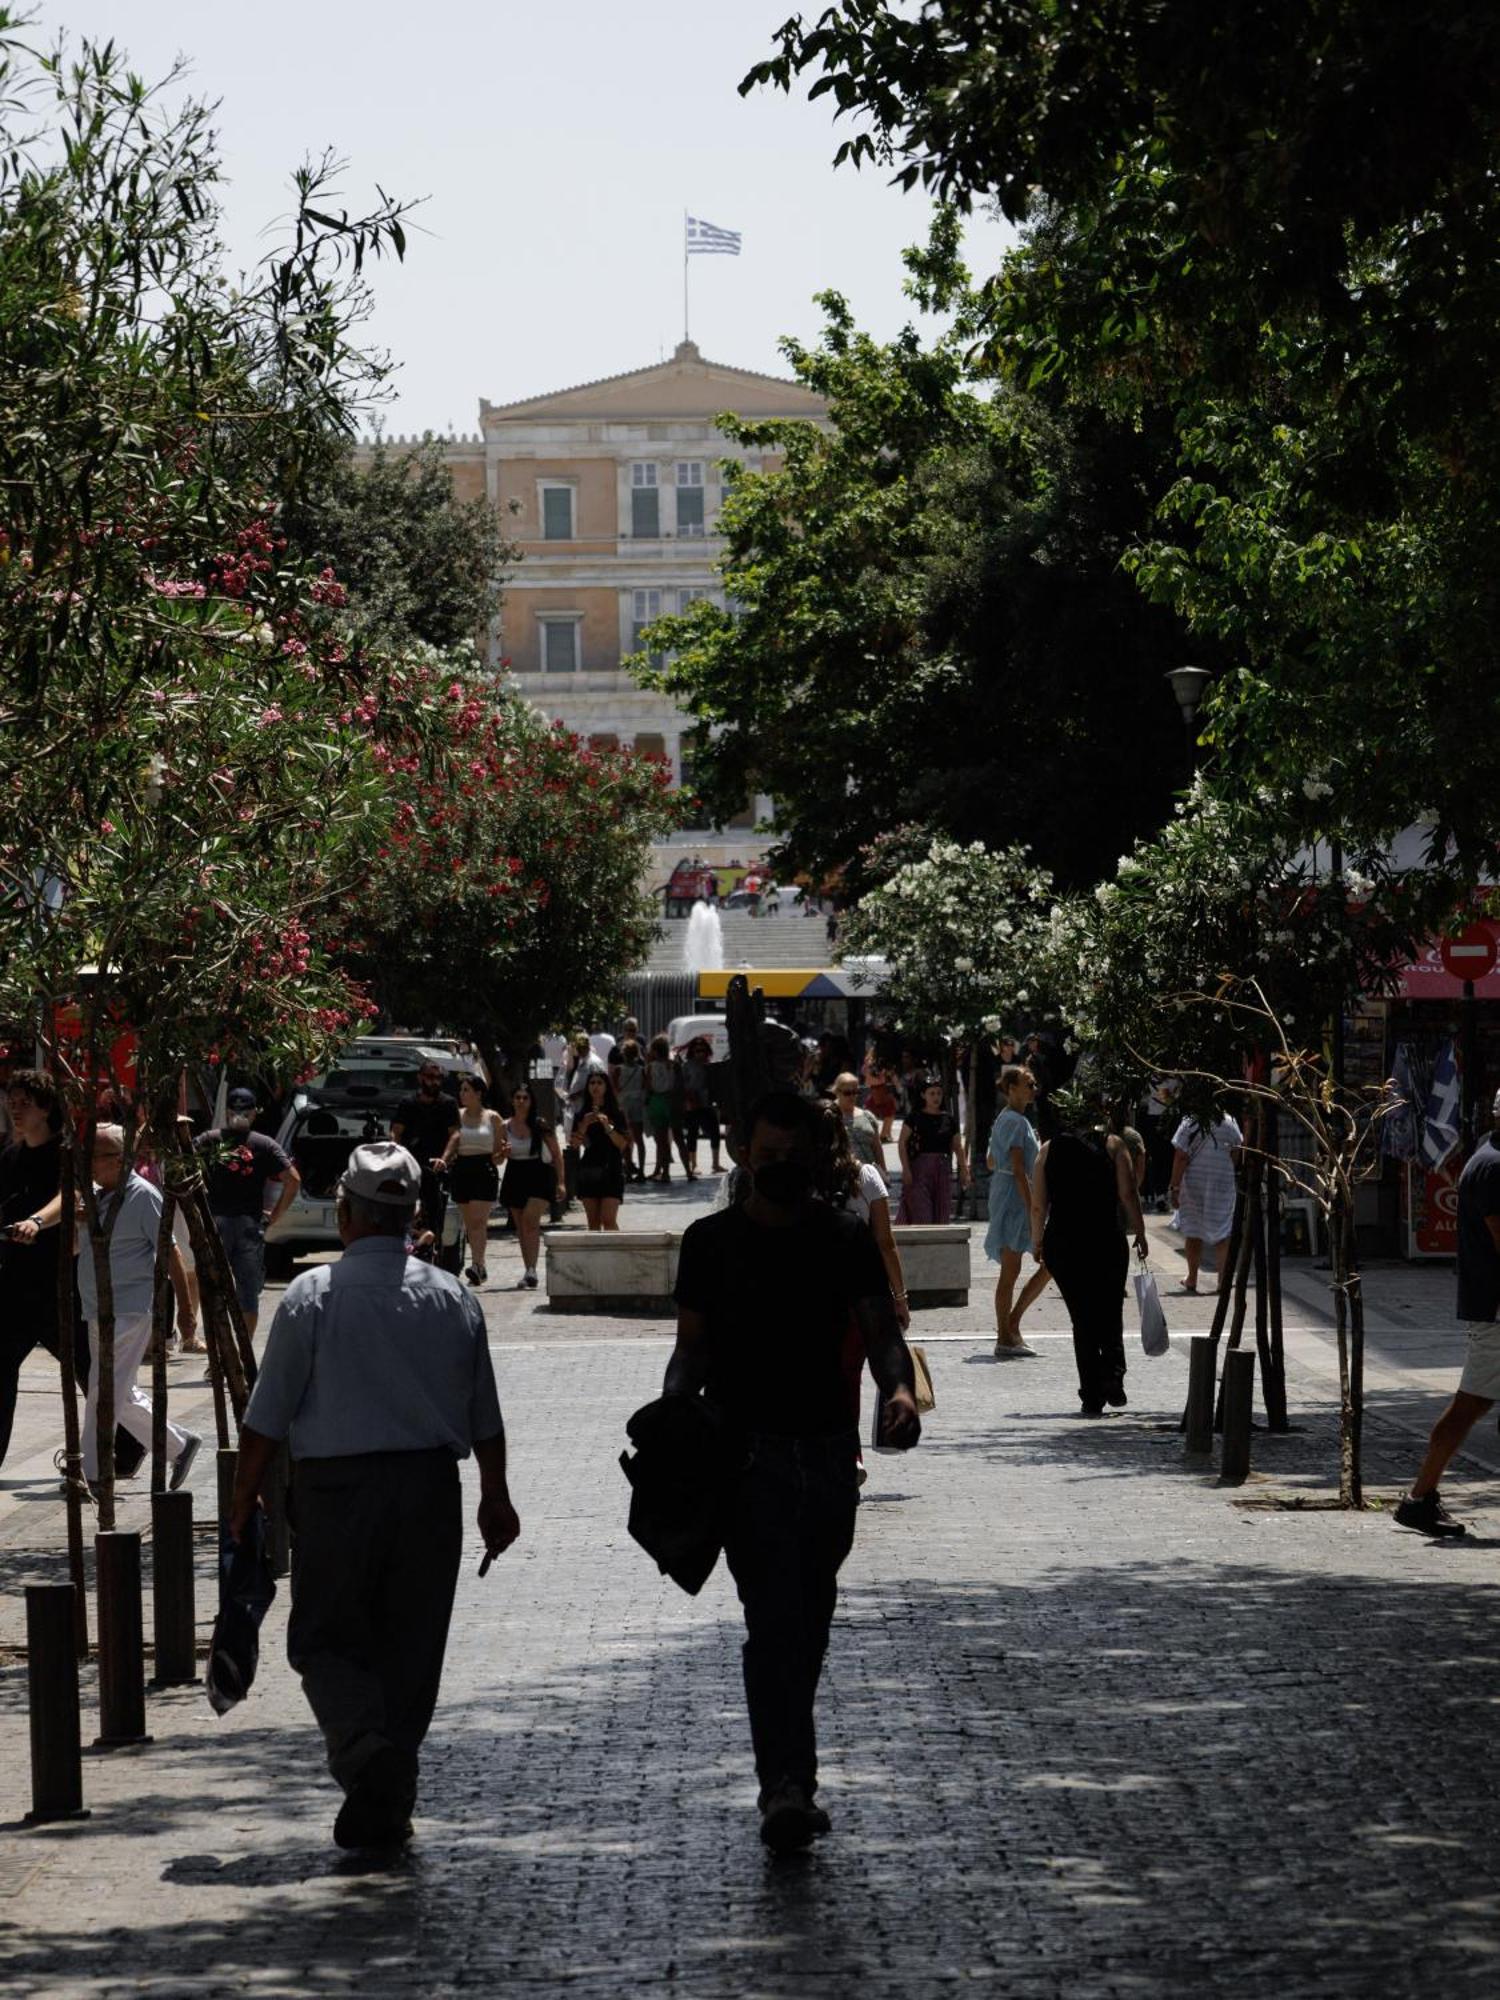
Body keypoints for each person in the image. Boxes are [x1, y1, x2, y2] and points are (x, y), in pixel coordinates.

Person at [227, 1141, 521, 1849]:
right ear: (412, 1214)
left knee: (325, 1639)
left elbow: (266, 1420)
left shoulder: (311, 1297)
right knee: (412, 1648)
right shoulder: (451, 1296)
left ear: (349, 1216)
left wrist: (241, 1506)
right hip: (428, 1494)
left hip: (336, 1495)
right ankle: (388, 1784)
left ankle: (368, 1759)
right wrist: (495, 1496)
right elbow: (485, 1413)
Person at [666, 1090, 921, 1851]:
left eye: (790, 1157)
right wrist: (674, 1416)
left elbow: (881, 1332)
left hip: (827, 1461)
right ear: (745, 1155)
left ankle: (787, 1776)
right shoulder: (707, 1243)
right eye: (765, 1155)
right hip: (745, 1464)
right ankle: (786, 1784)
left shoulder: (844, 1237)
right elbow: (691, 1349)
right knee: (772, 1621)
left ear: (815, 1159)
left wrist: (900, 1390)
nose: (777, 1169)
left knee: (807, 1621)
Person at [32, 1124, 201, 1490]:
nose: (92, 1163)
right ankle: (178, 1444)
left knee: (102, 1391)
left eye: (100, 1156)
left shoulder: (143, 1196)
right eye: (88, 1155)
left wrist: (187, 1312)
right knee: (118, 1394)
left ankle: (92, 1473)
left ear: (124, 1159)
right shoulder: (94, 1198)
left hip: (128, 1308)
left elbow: (170, 1253)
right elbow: (82, 1248)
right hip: (97, 1309)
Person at [1395, 1090, 1500, 1537]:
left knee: (1473, 1402)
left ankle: (1420, 1498)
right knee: (1470, 1403)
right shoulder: (1495, 1167)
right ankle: (1419, 1498)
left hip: (1490, 1305)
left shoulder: (1487, 1156)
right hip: (1496, 1310)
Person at [1032, 1102, 1148, 1416]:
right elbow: (1128, 1193)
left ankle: (1091, 1394)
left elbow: (1038, 1205)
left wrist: (1037, 1240)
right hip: (1105, 1238)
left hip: (1063, 1242)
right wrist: (1140, 1229)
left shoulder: (1046, 1150)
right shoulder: (1113, 1145)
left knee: (1081, 1319)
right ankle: (1113, 1375)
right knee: (1110, 1308)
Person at [0, 1071, 67, 1468]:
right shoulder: (9, 1155)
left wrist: (37, 1222)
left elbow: (69, 1195)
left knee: (92, 1372)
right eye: (12, 1101)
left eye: (25, 1102)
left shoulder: (64, 1154)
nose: (15, 1109)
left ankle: (146, 1441)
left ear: (45, 1108)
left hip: (59, 1283)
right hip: (13, 1283)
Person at [195, 1087, 301, 1336]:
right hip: (248, 1226)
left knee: (214, 1293)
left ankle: (221, 1358)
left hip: (214, 1225)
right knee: (248, 1294)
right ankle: (242, 1358)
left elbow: (184, 1171)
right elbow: (293, 1179)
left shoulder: (208, 1140)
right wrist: (275, 1216)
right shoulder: (264, 1144)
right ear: (255, 1114)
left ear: (227, 1112)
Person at [984, 1066, 1049, 1359]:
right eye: (1027, 1084)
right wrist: (1031, 1203)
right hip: (1013, 1197)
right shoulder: (1015, 1121)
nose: (1033, 1088)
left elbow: (989, 1160)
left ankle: (1010, 1327)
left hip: (1006, 1190)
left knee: (1018, 1267)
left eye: (1034, 1083)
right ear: (1011, 1088)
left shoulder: (1010, 1119)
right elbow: (1019, 1167)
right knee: (1011, 1269)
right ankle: (1005, 1333)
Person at [1168, 1105, 1244, 1293]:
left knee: (1193, 1231)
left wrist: (1174, 1187)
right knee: (1222, 1231)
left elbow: (1181, 1156)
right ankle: (1222, 1281)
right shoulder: (1230, 1121)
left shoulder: (1190, 1121)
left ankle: (1192, 1278)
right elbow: (1236, 1151)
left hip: (1195, 1181)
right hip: (1222, 1181)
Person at [439, 1076, 504, 1286]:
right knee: (469, 1223)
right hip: (462, 1169)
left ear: (478, 1093)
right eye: (461, 1090)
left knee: (478, 1222)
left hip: (484, 1168)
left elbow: (499, 1154)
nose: (462, 1094)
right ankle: (479, 1265)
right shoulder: (456, 1116)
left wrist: (502, 1154)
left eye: (466, 1090)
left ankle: (477, 1264)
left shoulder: (493, 1118)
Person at [391, 1060, 461, 1251]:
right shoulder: (408, 1103)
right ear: (420, 1078)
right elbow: (396, 1131)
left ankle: (433, 1240)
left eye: (439, 1078)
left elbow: (455, 1134)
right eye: (430, 1077)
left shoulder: (448, 1103)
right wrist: (396, 1154)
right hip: (410, 1163)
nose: (435, 1082)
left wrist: (444, 1159)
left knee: (434, 1200)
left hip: (436, 1166)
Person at [499, 1086, 562, 1289]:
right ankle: (529, 1270)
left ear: (531, 1101)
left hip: (539, 1173)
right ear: (512, 1100)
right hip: (515, 1173)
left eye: (525, 1098)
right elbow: (496, 1158)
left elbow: (557, 1154)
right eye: (517, 1097)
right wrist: (502, 1154)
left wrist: (561, 1182)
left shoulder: (540, 1124)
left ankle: (532, 1269)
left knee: (530, 1221)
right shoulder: (504, 1126)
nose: (521, 1101)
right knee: (521, 1226)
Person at [897, 1077, 969, 1223]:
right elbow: (902, 1143)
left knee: (942, 1212)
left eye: (939, 1093)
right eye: (932, 1093)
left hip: (943, 1170)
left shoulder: (949, 1120)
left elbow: (957, 1146)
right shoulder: (914, 1118)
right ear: (923, 1095)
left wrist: (964, 1169)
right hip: (919, 1171)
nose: (936, 1097)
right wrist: (906, 1169)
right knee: (922, 1213)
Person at [568, 1070, 630, 1230]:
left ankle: (616, 1254)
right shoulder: (581, 1114)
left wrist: (607, 1127)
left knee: (608, 1219)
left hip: (612, 1167)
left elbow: (623, 1144)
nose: (595, 1086)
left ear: (606, 1087)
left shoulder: (617, 1113)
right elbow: (574, 1144)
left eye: (599, 1083)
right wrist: (584, 1125)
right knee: (593, 1222)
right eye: (592, 1083)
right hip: (589, 1168)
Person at [645, 1034, 690, 1183]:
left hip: (657, 1102)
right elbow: (680, 1085)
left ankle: (666, 1173)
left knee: (662, 1141)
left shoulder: (650, 1067)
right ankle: (688, 1171)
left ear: (655, 1051)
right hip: (673, 1102)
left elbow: (649, 1086)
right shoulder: (675, 1065)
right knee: (679, 1139)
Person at [679, 1036, 724, 1175]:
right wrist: (687, 1099)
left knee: (715, 1133)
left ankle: (715, 1164)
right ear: (692, 1051)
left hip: (708, 1104)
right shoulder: (687, 1065)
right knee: (692, 1134)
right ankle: (694, 1165)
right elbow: (682, 1084)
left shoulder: (710, 1064)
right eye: (697, 1050)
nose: (701, 1053)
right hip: (692, 1104)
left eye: (703, 1050)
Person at [832, 1072, 885, 1184]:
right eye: (847, 1093)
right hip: (842, 1178)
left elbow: (877, 1147)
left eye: (855, 1092)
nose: (852, 1096)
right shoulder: (830, 1115)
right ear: (837, 1092)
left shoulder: (867, 1116)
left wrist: (884, 1172)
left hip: (870, 1178)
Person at [611, 1037, 648, 1182]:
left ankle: (626, 1172)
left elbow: (615, 1089)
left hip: (623, 1106)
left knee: (625, 1140)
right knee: (639, 1140)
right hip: (637, 1105)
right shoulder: (642, 1070)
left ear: (623, 1053)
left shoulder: (618, 1070)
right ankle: (641, 1172)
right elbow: (645, 1087)